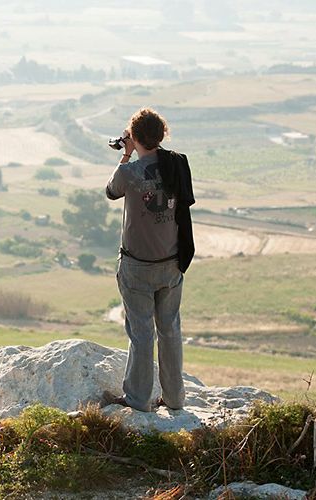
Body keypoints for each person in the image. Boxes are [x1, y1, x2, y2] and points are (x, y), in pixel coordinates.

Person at [104, 107, 195, 412]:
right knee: (170, 330)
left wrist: (127, 153)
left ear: (134, 135)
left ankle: (139, 399)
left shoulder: (129, 173)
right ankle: (174, 398)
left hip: (137, 267)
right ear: (161, 135)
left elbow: (110, 191)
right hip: (171, 263)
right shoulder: (177, 165)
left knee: (142, 333)